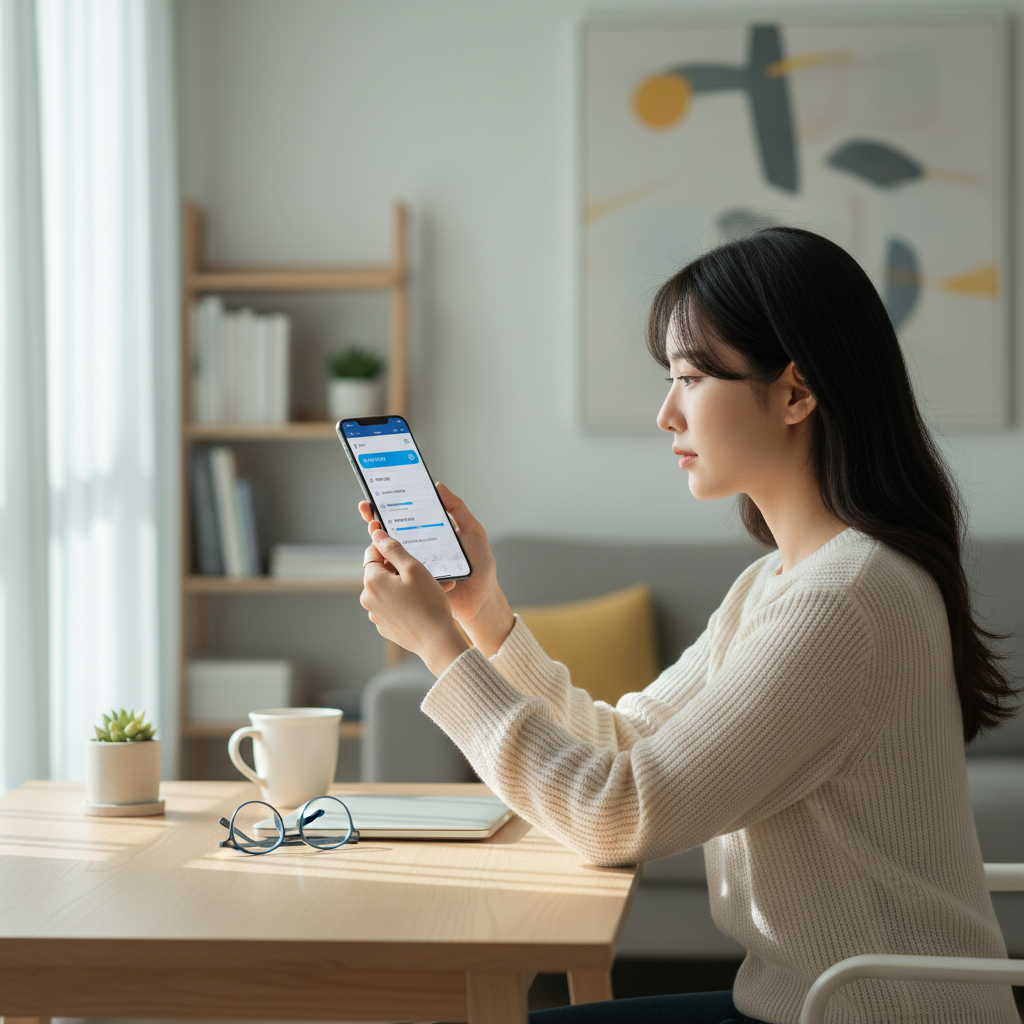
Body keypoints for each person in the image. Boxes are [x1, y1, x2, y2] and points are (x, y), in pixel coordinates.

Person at [356, 227, 1019, 1024]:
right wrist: (480, 615)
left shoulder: (844, 601)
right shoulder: (779, 581)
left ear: (796, 394)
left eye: (692, 377)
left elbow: (618, 813)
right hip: (808, 1003)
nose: (667, 412)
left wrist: (436, 649)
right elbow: (625, 744)